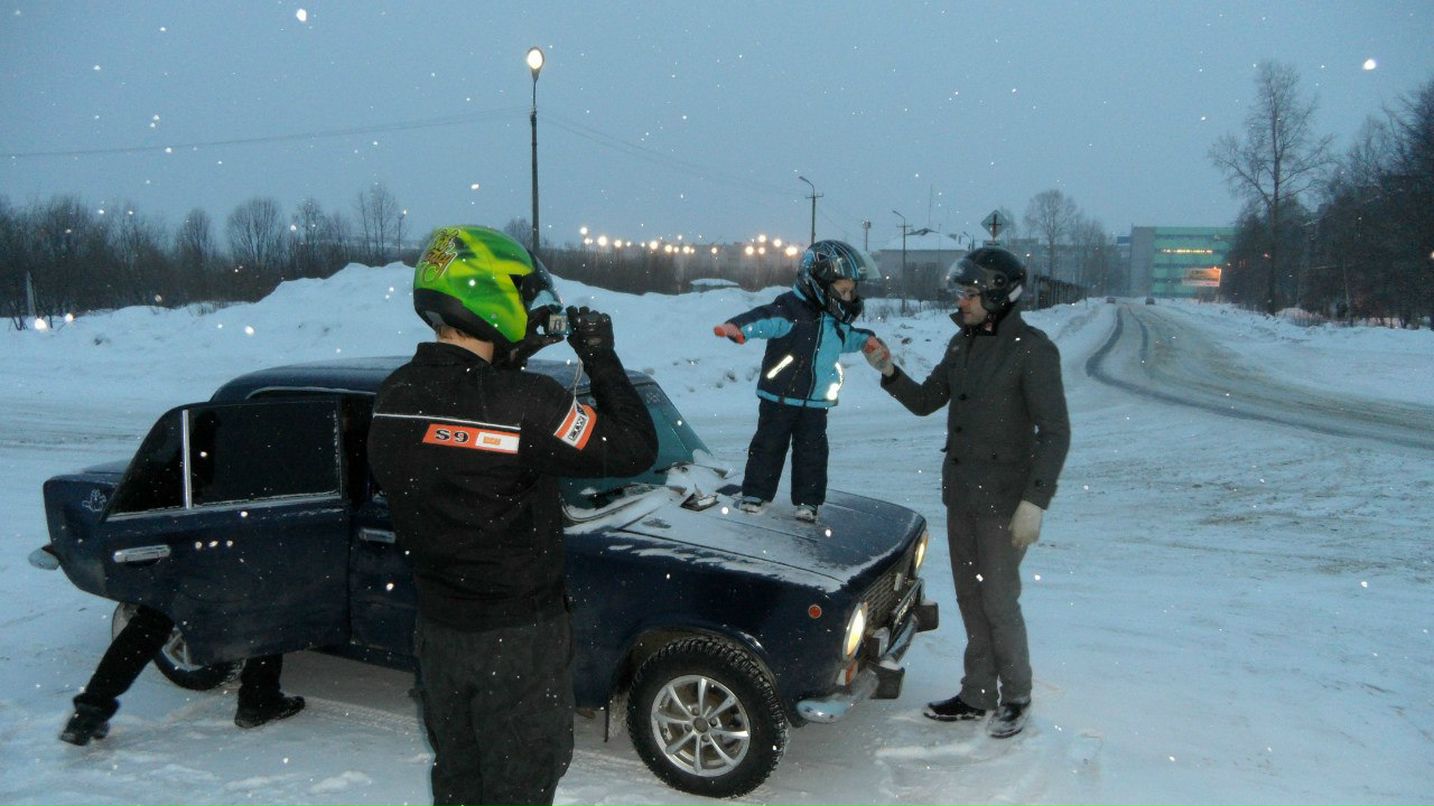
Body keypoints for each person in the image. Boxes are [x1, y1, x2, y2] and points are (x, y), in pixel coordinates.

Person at [366, 225, 657, 806]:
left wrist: (514, 354)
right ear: (490, 296)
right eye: (521, 296)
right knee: (521, 782)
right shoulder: (526, 402)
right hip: (517, 640)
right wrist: (600, 356)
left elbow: (465, 428)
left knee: (460, 777)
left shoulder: (394, 395)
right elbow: (633, 447)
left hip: (440, 632)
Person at [862, 246, 1070, 739]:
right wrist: (888, 370)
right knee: (971, 600)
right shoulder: (962, 345)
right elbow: (925, 401)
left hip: (1005, 504)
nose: (961, 301)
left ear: (998, 296)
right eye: (961, 292)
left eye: (970, 293)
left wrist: (1034, 502)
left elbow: (1055, 433)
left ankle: (1016, 695)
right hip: (962, 497)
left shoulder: (1032, 350)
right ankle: (977, 694)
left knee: (998, 601)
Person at [713, 240, 877, 522]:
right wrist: (739, 328)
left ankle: (808, 502)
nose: (849, 297)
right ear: (818, 282)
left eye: (851, 292)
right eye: (843, 291)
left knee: (813, 454)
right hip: (779, 396)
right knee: (768, 447)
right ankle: (755, 495)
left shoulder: (834, 320)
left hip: (815, 401)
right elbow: (764, 319)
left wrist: (866, 341)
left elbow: (848, 338)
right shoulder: (789, 310)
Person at [60, 603, 303, 745]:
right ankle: (258, 700)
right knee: (264, 607)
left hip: (183, 545)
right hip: (234, 547)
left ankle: (90, 711)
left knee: (154, 619)